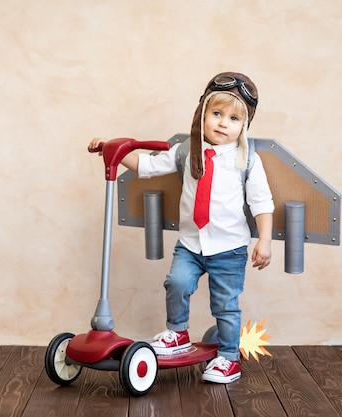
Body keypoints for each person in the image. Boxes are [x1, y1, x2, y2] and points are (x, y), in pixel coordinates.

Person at [88, 72, 274, 384]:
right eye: (216, 114)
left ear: (244, 126)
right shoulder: (186, 151)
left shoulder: (247, 160)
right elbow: (147, 166)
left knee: (225, 305)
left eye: (233, 118)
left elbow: (262, 203)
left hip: (229, 249)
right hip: (191, 243)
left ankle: (228, 358)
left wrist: (264, 241)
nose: (222, 123)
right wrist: (112, 149)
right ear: (202, 113)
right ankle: (178, 333)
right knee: (176, 283)